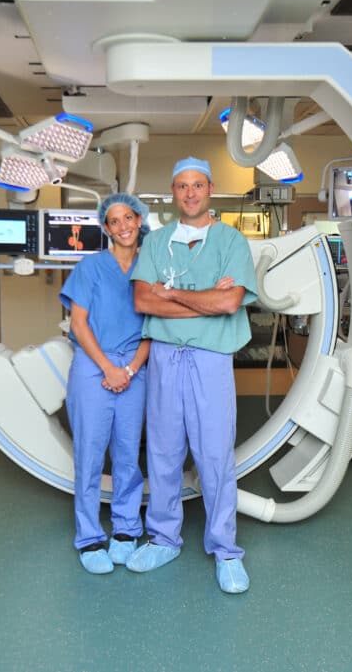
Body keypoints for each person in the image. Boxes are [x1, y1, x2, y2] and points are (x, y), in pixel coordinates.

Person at [127, 157, 258, 594]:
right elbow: (144, 302)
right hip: (165, 358)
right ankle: (164, 538)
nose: (190, 193)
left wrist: (174, 293)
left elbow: (228, 304)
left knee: (215, 456)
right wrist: (202, 298)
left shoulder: (230, 241)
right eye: (181, 186)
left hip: (211, 359)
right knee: (163, 452)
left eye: (197, 185)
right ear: (173, 192)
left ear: (210, 188)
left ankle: (225, 550)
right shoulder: (156, 242)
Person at [60, 193, 152, 575]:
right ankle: (90, 537)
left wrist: (128, 370)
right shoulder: (90, 266)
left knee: (128, 454)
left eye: (128, 217)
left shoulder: (151, 268)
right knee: (90, 454)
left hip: (135, 366)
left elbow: (155, 325)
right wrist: (108, 368)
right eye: (114, 221)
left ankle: (127, 530)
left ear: (138, 220)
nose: (123, 226)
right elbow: (78, 323)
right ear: (105, 228)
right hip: (93, 366)